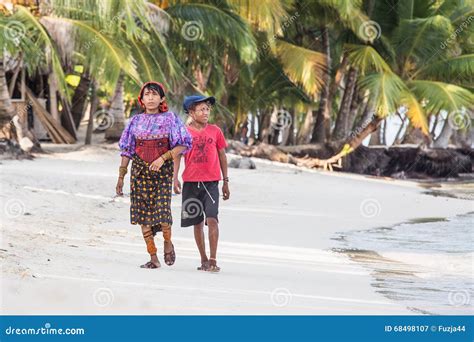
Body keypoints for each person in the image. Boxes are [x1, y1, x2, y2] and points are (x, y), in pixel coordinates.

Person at [116, 81, 192, 269]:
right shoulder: (134, 121)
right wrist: (121, 177)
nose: (150, 98)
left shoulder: (170, 119)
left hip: (162, 171)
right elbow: (126, 150)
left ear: (161, 99)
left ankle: (167, 241)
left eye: (154, 94)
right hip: (139, 172)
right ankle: (153, 257)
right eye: (147, 95)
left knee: (162, 211)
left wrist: (163, 158)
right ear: (141, 99)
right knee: (142, 216)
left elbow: (183, 144)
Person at [173, 95, 230, 273]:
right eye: (201, 109)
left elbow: (222, 155)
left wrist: (225, 181)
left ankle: (213, 259)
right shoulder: (184, 132)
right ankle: (203, 259)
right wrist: (175, 178)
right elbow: (177, 156)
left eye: (207, 109)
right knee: (197, 223)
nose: (206, 112)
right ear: (191, 112)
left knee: (212, 219)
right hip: (190, 183)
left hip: (211, 183)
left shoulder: (215, 131)